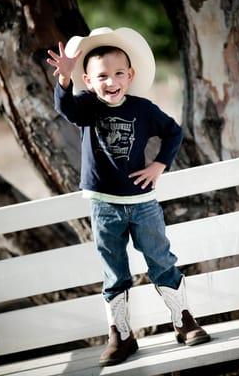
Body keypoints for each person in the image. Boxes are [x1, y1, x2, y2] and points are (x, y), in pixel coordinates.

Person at [47, 27, 210, 367]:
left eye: (118, 73)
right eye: (102, 76)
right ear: (89, 82)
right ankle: (121, 335)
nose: (111, 81)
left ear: (130, 75)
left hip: (142, 203)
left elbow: (173, 132)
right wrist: (63, 80)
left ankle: (183, 321)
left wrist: (159, 165)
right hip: (104, 205)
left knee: (161, 260)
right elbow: (66, 110)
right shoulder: (87, 109)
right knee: (114, 271)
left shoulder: (143, 109)